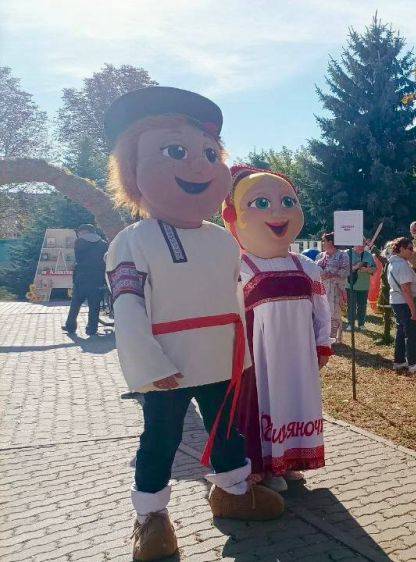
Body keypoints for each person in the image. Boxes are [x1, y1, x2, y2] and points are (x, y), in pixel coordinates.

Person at [102, 86, 283, 560]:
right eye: (176, 152)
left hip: (221, 358)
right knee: (161, 439)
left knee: (227, 430)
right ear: (132, 172)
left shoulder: (222, 240)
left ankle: (232, 490)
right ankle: (151, 518)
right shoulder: (132, 241)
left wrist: (241, 354)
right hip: (167, 366)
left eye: (208, 154)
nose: (199, 165)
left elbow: (233, 297)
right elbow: (127, 309)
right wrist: (145, 363)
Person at [222, 165, 333, 493]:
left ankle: (291, 462)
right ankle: (266, 468)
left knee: (296, 401)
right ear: (234, 215)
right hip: (258, 359)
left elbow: (321, 311)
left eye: (288, 201)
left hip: (299, 354)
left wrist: (322, 344)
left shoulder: (307, 266)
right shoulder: (238, 266)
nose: (277, 211)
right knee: (265, 406)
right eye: (260, 204)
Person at [386, 237, 416, 373]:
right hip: (405, 302)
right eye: (410, 248)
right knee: (411, 332)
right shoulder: (402, 265)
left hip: (396, 301)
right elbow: (406, 289)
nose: (412, 251)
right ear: (401, 249)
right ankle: (413, 363)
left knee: (401, 331)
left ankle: (399, 361)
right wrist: (413, 310)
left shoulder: (392, 263)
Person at [63, 224, 108, 336]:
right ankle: (92, 329)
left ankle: (70, 326)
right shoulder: (103, 244)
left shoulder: (79, 242)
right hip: (98, 277)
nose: (78, 234)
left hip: (82, 276)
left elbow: (78, 258)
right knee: (94, 305)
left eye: (79, 232)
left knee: (76, 303)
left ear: (84, 231)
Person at [317, 233, 350, 343]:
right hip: (322, 289)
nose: (323, 243)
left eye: (324, 241)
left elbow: (346, 271)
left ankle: (335, 338)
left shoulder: (342, 255)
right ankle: (325, 336)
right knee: (324, 313)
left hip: (336, 289)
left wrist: (331, 275)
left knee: (335, 313)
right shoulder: (320, 256)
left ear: (330, 242)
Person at [346, 243, 376, 332]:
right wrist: (356, 266)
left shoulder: (368, 255)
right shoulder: (347, 253)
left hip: (364, 285)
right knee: (351, 306)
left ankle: (361, 324)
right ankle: (350, 324)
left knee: (362, 306)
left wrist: (367, 269)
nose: (363, 246)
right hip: (351, 284)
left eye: (364, 244)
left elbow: (374, 268)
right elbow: (344, 268)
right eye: (361, 243)